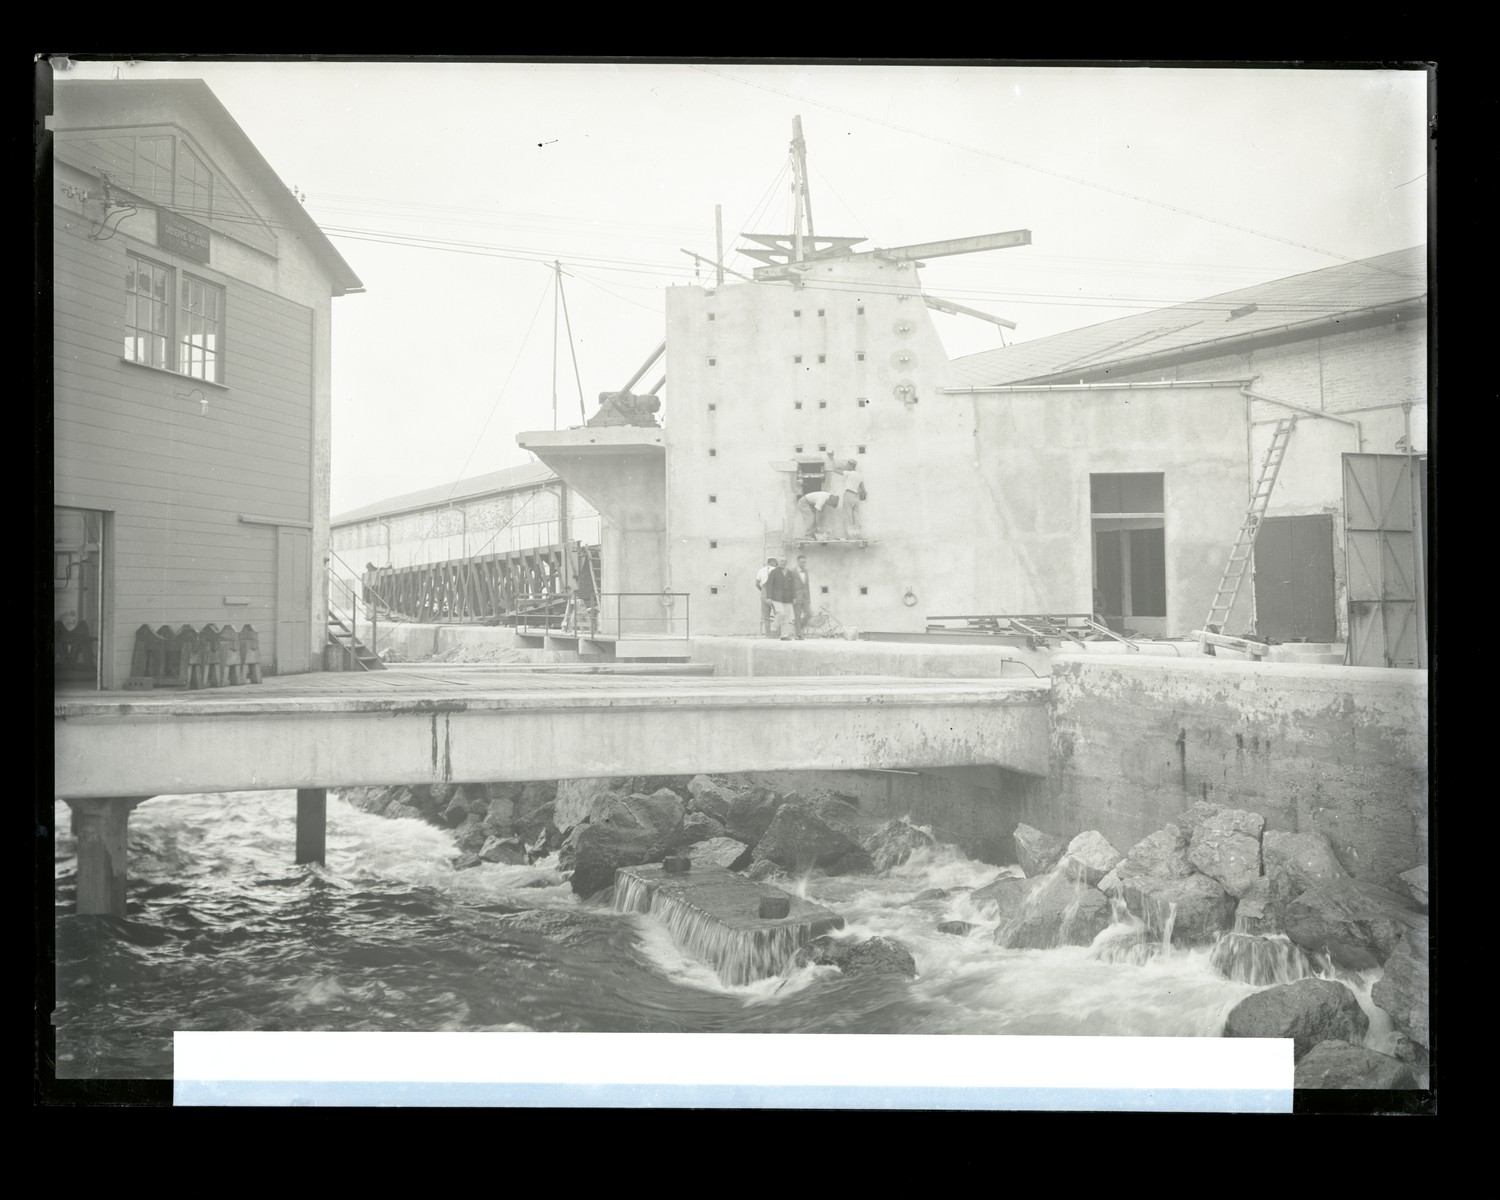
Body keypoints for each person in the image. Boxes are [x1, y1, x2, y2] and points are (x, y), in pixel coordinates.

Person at [764, 557, 798, 640]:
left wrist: (794, 597)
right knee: (781, 613)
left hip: (787, 599)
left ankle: (784, 636)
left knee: (787, 618)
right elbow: (769, 585)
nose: (783, 562)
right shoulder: (774, 572)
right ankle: (774, 626)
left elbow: (793, 586)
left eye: (785, 561)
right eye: (782, 561)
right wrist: (769, 597)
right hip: (777, 598)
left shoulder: (789, 573)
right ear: (778, 562)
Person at [838, 460, 865, 537]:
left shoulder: (848, 473)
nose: (847, 466)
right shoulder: (859, 475)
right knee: (856, 516)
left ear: (851, 466)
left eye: (848, 465)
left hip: (849, 494)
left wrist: (842, 466)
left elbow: (835, 470)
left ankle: (849, 536)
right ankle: (856, 536)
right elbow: (863, 489)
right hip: (856, 496)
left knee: (848, 516)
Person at [792, 554, 813, 639]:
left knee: (809, 614)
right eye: (802, 562)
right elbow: (791, 586)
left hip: (805, 598)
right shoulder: (793, 571)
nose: (803, 564)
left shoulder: (806, 571)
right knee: (797, 616)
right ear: (798, 562)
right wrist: (793, 597)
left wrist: (809, 598)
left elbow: (807, 585)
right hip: (796, 597)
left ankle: (798, 628)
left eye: (805, 562)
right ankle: (798, 635)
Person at [755, 556, 777, 635]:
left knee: (766, 616)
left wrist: (763, 591)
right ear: (773, 562)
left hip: (764, 592)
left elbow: (756, 584)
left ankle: (768, 634)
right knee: (777, 613)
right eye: (775, 562)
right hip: (773, 592)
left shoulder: (761, 570)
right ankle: (777, 634)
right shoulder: (776, 570)